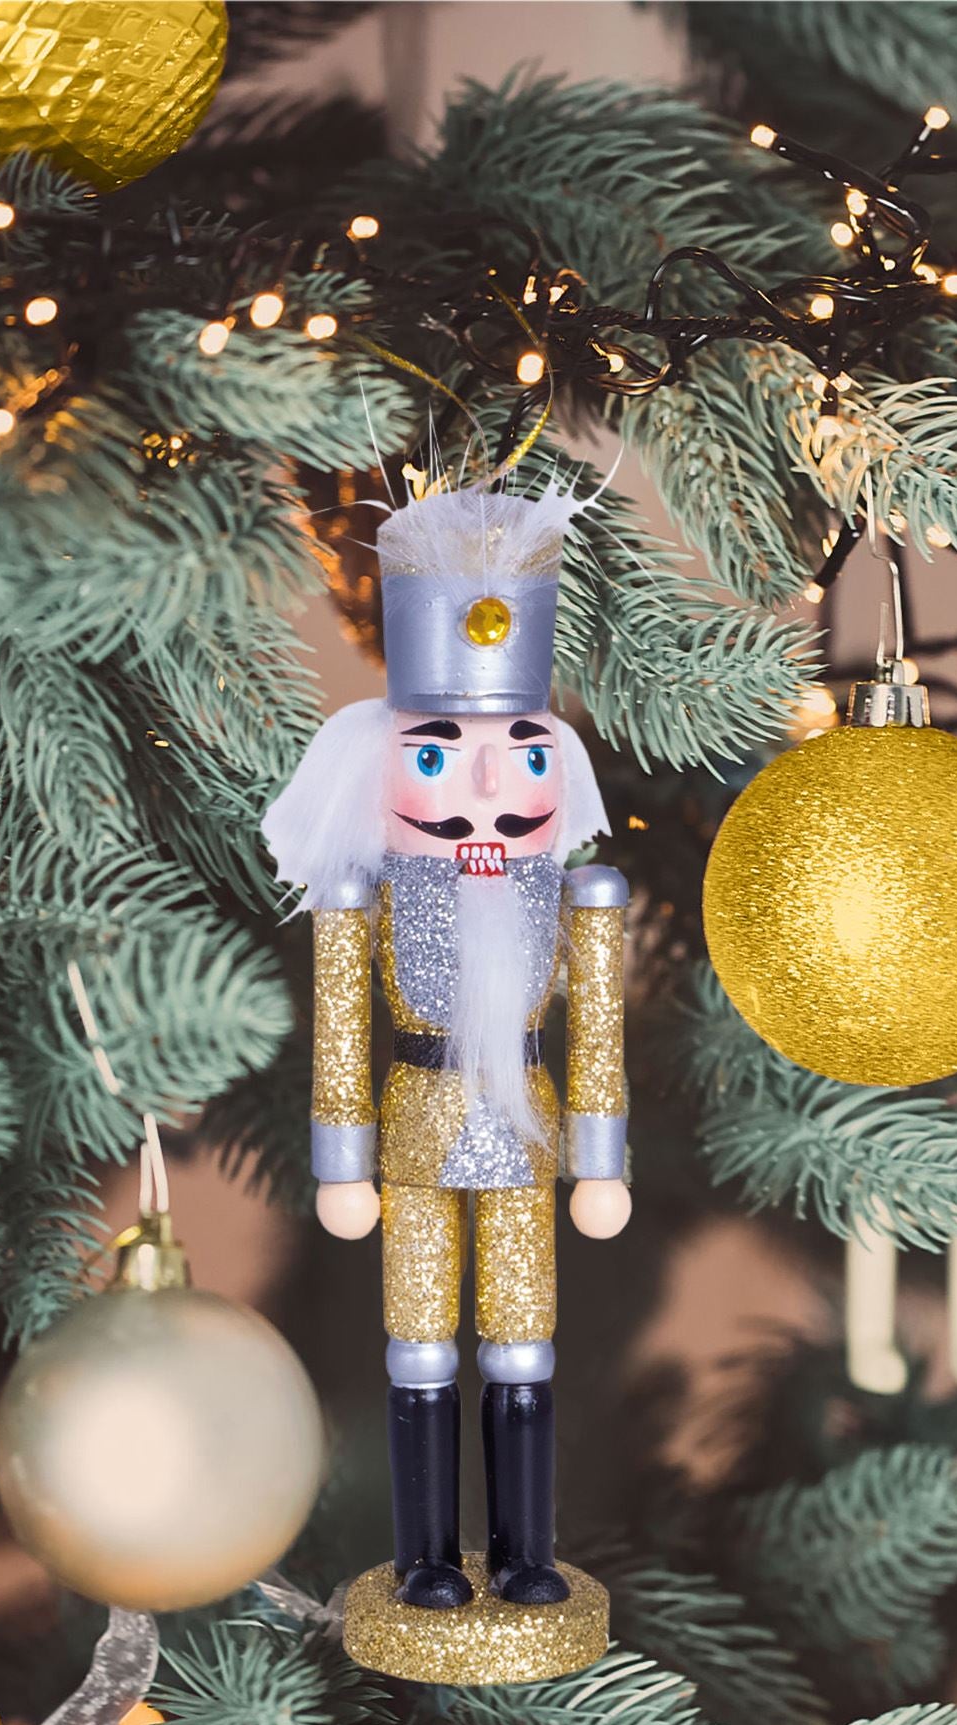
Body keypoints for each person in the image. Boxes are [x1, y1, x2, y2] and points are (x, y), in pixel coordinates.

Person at [262, 484, 630, 1611]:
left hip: (526, 1137)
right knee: (418, 1346)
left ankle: (525, 1552)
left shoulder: (577, 896)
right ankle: (424, 1553)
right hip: (415, 1138)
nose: (483, 787)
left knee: (523, 1346)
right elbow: (340, 1030)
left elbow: (599, 1033)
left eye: (519, 754)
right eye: (435, 758)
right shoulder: (361, 897)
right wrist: (339, 1165)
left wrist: (603, 1162)